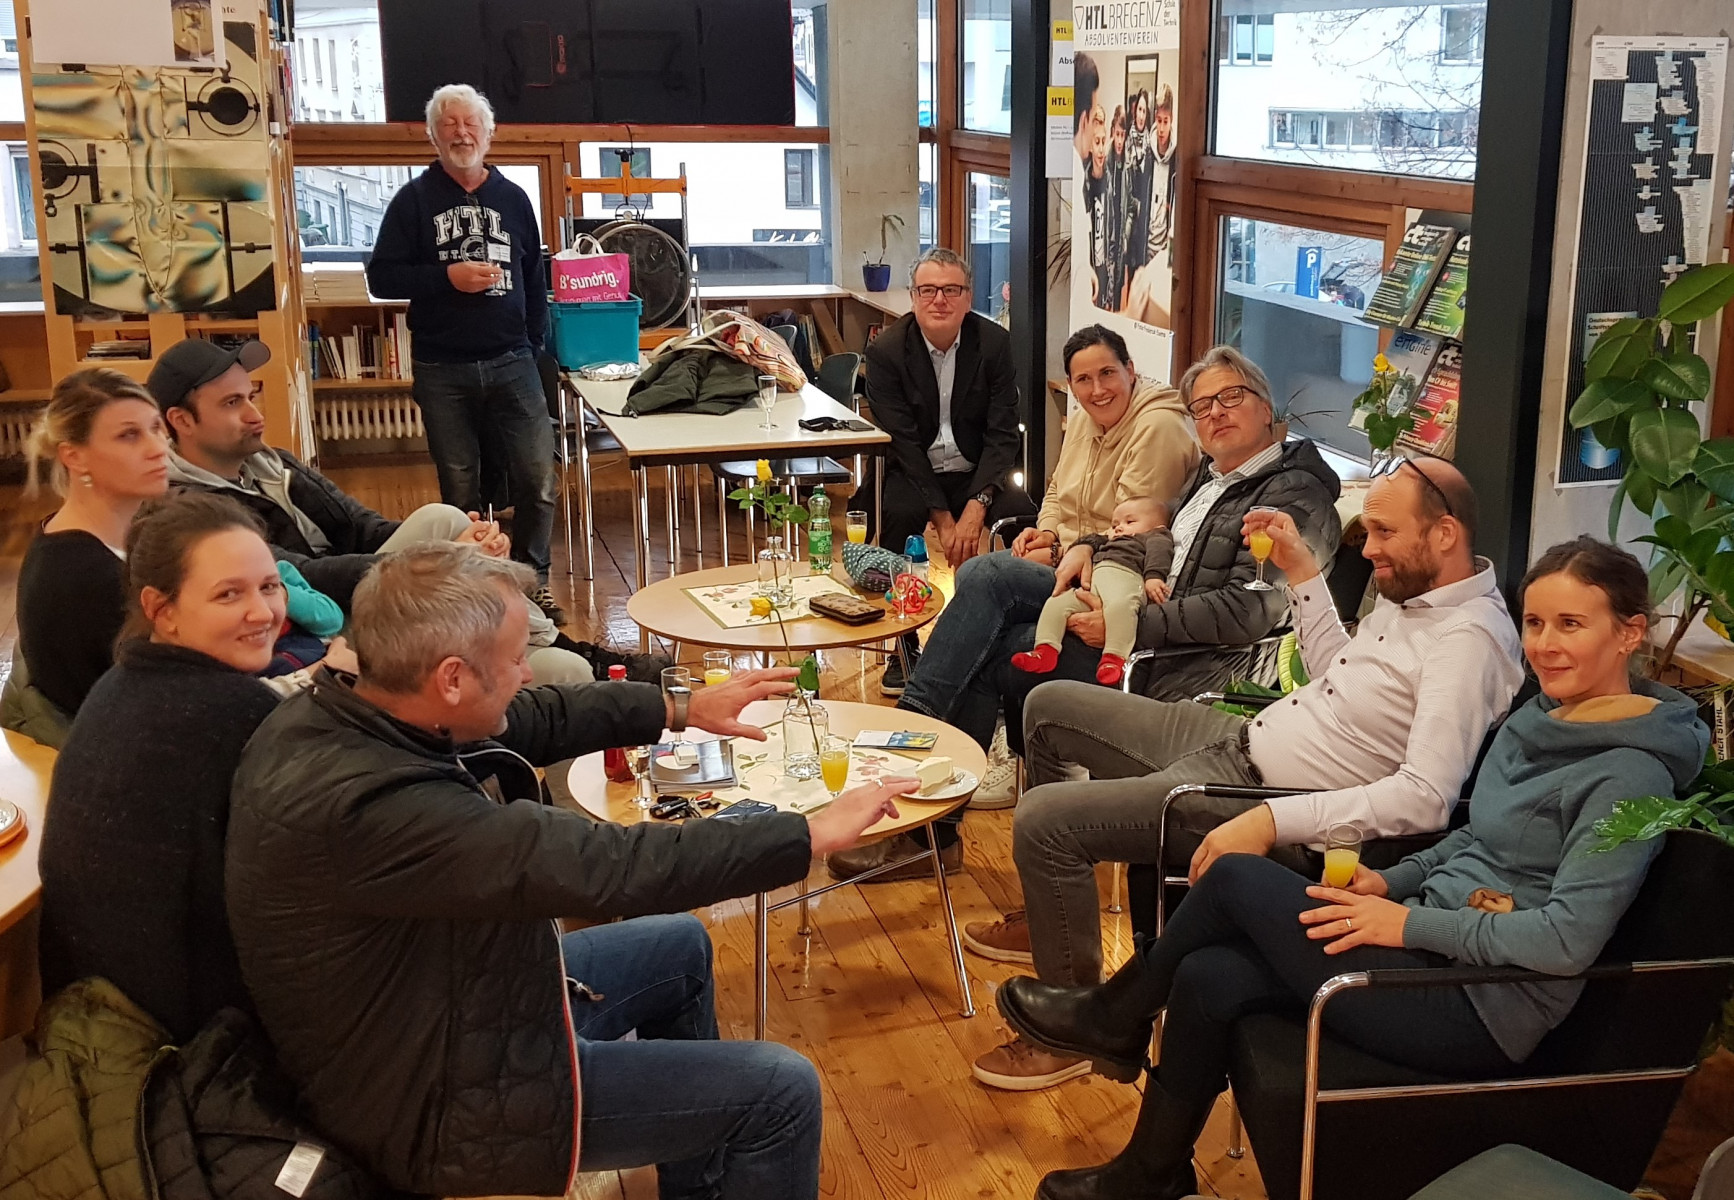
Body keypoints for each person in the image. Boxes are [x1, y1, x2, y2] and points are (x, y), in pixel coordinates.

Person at [993, 537, 1703, 1200]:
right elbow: (1472, 839)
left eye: (1571, 625)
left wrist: (1404, 923)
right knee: (1210, 976)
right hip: (1426, 945)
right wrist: (1389, 883)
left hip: (1481, 1002)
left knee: (1237, 878)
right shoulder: (1542, 718)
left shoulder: (1629, 775)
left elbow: (1566, 941)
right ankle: (1149, 1172)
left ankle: (1116, 1014)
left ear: (1631, 632)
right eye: (1536, 623)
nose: (1545, 645)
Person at [225, 541, 921, 1200]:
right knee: (781, 1090)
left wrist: (679, 707)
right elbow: (609, 865)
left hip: (442, 999)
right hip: (433, 1097)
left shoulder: (347, 706)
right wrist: (807, 834)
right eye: (513, 659)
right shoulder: (376, 811)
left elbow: (526, 715)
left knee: (679, 946)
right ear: (452, 678)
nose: (528, 672)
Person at [965, 451, 1525, 1091]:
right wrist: (1302, 572)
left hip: (1262, 794)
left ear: (1445, 533)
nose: (1368, 549)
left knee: (1044, 821)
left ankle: (1075, 1033)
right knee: (1048, 706)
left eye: (1383, 532)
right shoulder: (1417, 594)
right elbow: (1338, 676)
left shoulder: (1467, 642)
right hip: (1240, 737)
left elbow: (1425, 798)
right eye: (1368, 531)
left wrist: (1269, 821)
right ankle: (1059, 912)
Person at [148, 336, 651, 686]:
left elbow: (362, 527)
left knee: (446, 519)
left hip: (356, 600)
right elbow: (299, 578)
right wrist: (437, 561)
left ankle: (541, 645)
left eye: (251, 396)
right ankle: (561, 654)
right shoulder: (194, 512)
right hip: (318, 634)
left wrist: (462, 547)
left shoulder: (272, 463)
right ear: (181, 421)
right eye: (231, 403)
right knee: (451, 537)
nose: (255, 414)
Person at [36, 493, 293, 1041]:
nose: (262, 612)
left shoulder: (118, 684)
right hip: (192, 1038)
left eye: (270, 586)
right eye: (229, 594)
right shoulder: (236, 713)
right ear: (161, 609)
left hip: (91, 1011)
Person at [365, 83, 561, 620]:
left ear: (489, 133)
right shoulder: (412, 201)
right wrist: (446, 277)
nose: (461, 133)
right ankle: (472, 588)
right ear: (432, 136)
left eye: (470, 123)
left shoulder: (514, 199)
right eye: (448, 124)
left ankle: (532, 582)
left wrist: (533, 341)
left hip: (513, 360)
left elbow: (533, 275)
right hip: (441, 366)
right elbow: (381, 278)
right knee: (459, 488)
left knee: (538, 479)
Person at [865, 246, 1036, 692]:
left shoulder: (993, 343)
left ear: (968, 296)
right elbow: (903, 444)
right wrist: (943, 519)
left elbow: (1003, 434)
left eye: (951, 290)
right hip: (914, 468)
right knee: (898, 516)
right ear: (913, 296)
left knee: (1024, 519)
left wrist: (978, 506)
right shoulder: (886, 351)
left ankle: (1015, 642)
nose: (939, 299)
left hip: (978, 470)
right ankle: (903, 647)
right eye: (928, 290)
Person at [4, 370, 171, 741]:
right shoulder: (82, 575)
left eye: (156, 428)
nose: (158, 448)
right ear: (74, 456)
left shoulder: (108, 535)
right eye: (129, 435)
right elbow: (149, 707)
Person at [1013, 496, 1172, 687]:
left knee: (1121, 609)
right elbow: (1089, 543)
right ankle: (1045, 650)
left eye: (1129, 522)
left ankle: (1114, 658)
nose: (1119, 528)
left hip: (1126, 581)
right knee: (1056, 603)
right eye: (1115, 524)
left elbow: (1159, 554)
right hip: (1094, 585)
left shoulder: (1154, 537)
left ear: (1158, 527)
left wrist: (1153, 577)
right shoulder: (1108, 541)